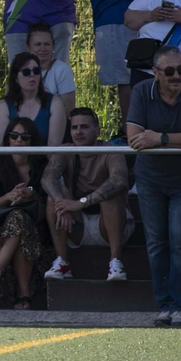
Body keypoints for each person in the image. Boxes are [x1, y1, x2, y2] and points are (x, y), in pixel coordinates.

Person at [125, 45, 181, 326]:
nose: (177, 76)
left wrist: (161, 139)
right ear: (155, 73)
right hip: (151, 180)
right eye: (170, 71)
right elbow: (134, 136)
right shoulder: (141, 92)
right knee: (156, 242)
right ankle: (164, 304)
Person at [41, 107, 130, 283]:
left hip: (110, 225)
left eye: (84, 127)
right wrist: (61, 203)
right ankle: (62, 263)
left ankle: (115, 262)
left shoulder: (111, 151)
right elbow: (47, 178)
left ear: (97, 130)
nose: (79, 132)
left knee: (110, 194)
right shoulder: (65, 150)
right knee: (53, 196)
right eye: (74, 128)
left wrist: (80, 203)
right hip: (77, 225)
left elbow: (119, 180)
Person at [0, 118, 48, 309]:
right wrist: (10, 196)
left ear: (33, 141)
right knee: (17, 218)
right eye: (14, 136)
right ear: (7, 139)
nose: (19, 141)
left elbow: (47, 198)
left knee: (20, 220)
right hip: (1, 226)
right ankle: (25, 293)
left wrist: (29, 193)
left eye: (25, 137)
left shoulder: (41, 164)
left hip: (38, 224)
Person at [0, 52, 65, 148]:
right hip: (11, 161)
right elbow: (2, 147)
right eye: (26, 72)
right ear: (15, 78)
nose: (32, 75)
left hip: (45, 161)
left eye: (36, 71)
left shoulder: (55, 103)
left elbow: (54, 149)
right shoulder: (3, 105)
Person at [24, 23, 76, 126]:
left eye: (47, 44)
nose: (43, 48)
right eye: (38, 44)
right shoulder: (21, 71)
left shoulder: (62, 69)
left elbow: (68, 109)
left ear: (53, 46)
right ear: (28, 47)